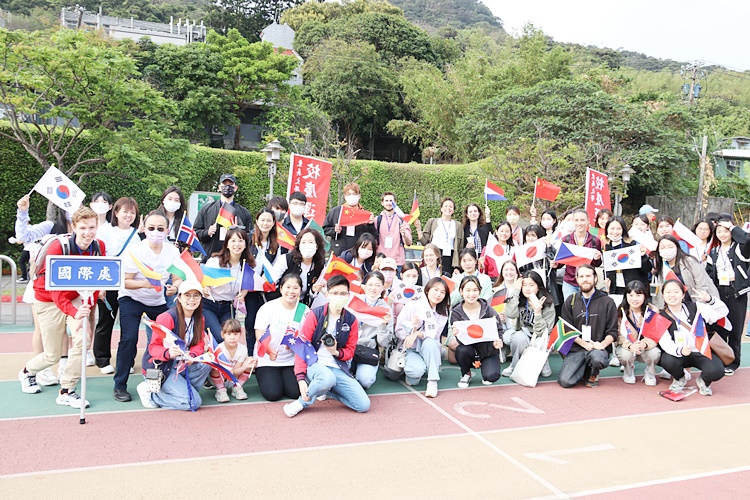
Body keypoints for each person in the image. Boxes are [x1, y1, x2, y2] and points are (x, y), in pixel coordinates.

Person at [18, 207, 104, 411]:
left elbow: (96, 280)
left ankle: (67, 390)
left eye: (92, 227)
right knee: (52, 355)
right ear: (73, 227)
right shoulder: (58, 247)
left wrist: (86, 309)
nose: (88, 233)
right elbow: (55, 289)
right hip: (48, 299)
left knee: (83, 339)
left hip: (75, 297)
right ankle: (27, 372)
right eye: (82, 228)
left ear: (97, 226)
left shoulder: (99, 246)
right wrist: (75, 312)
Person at [114, 211, 181, 402]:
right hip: (131, 298)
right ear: (144, 229)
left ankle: (160, 380)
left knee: (165, 340)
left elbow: (177, 278)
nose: (156, 232)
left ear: (167, 230)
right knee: (129, 339)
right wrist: (145, 283)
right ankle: (120, 385)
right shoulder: (135, 250)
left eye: (160, 229)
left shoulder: (172, 251)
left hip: (157, 301)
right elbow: (125, 281)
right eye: (151, 228)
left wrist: (174, 288)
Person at [283, 276, 370, 417]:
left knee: (363, 405)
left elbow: (350, 351)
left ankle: (326, 390)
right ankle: (301, 403)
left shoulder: (351, 320)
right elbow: (302, 346)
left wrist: (336, 352)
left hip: (337, 367)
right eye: (335, 293)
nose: (339, 297)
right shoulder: (315, 314)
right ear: (328, 294)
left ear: (348, 295)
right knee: (327, 378)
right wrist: (300, 377)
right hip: (315, 364)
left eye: (343, 293)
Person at [15, 194, 74, 386]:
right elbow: (23, 236)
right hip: (42, 286)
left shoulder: (84, 232)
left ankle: (64, 366)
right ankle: (42, 369)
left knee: (63, 329)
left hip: (68, 288)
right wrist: (22, 212)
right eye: (71, 205)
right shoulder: (50, 227)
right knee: (42, 328)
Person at [136, 280, 212, 410]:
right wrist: (168, 353)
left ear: (201, 298)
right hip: (163, 367)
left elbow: (199, 343)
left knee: (206, 364)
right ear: (179, 298)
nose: (192, 299)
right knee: (193, 403)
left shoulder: (200, 318)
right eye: (187, 295)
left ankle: (182, 394)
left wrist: (192, 355)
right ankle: (152, 394)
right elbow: (153, 347)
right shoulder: (167, 317)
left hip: (182, 363)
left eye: (196, 295)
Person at [93, 197, 141, 374]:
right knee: (106, 321)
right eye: (125, 211)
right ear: (116, 213)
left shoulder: (137, 235)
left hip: (129, 284)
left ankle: (127, 361)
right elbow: (99, 258)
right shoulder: (105, 231)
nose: (128, 215)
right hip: (109, 281)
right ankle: (102, 359)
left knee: (129, 326)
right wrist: (101, 286)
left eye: (132, 212)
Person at [658, 280, 728, 396]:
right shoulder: (660, 317)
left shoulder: (696, 307)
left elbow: (722, 313)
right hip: (679, 353)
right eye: (668, 292)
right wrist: (679, 350)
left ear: (683, 295)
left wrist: (710, 300)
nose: (672, 295)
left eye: (676, 292)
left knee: (717, 370)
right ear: (663, 295)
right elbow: (665, 342)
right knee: (667, 361)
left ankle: (704, 381)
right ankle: (680, 378)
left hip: (700, 350)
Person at [558, 265, 618, 388]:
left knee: (597, 358)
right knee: (565, 381)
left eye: (588, 276)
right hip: (578, 348)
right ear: (577, 279)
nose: (585, 279)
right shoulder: (571, 300)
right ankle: (584, 369)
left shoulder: (607, 301)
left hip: (598, 348)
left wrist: (602, 345)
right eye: (581, 276)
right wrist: (585, 344)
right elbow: (567, 329)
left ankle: (593, 372)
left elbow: (612, 332)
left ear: (595, 278)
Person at [254, 274, 309, 402]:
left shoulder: (303, 310)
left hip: (291, 360)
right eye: (288, 287)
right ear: (281, 289)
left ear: (300, 290)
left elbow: (306, 337)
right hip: (268, 359)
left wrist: (296, 346)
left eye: (295, 288)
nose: (291, 291)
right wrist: (269, 351)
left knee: (295, 392)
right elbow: (259, 335)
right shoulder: (268, 308)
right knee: (273, 394)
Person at [706, 215, 749, 376]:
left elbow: (747, 240)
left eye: (726, 231)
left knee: (735, 329)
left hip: (736, 292)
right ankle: (722, 359)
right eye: (719, 231)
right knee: (719, 327)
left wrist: (732, 227)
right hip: (719, 292)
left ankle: (733, 362)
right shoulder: (714, 251)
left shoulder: (739, 248)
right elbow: (710, 273)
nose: (723, 234)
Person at [395, 277, 450, 397]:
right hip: (411, 349)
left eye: (442, 292)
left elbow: (435, 335)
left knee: (430, 342)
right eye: (435, 290)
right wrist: (411, 328)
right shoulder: (412, 306)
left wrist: (418, 333)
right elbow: (398, 331)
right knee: (415, 375)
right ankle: (424, 365)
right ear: (427, 290)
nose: (438, 295)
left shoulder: (442, 312)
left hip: (429, 347)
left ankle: (432, 381)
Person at [449, 276, 504, 387]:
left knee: (491, 377)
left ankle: (486, 368)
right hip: (468, 349)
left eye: (475, 290)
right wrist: (457, 334)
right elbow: (460, 338)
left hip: (487, 350)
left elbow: (499, 330)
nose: (471, 294)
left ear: (480, 291)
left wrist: (497, 342)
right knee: (461, 350)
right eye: (468, 290)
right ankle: (466, 373)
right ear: (461, 291)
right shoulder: (456, 312)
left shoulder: (488, 310)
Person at [502, 271, 556, 377]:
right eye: (524, 285)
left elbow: (544, 332)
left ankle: (542, 363)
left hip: (542, 335)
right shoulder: (519, 299)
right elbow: (510, 314)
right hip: (525, 333)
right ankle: (515, 365)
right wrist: (516, 290)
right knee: (517, 338)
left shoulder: (547, 303)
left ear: (538, 287)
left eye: (531, 285)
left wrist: (537, 313)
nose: (527, 288)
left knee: (539, 343)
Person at [202, 227, 251, 343]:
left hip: (228, 307)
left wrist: (243, 293)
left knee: (229, 338)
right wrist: (204, 287)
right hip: (209, 305)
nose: (237, 244)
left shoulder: (247, 265)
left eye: (240, 241)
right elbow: (203, 280)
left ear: (245, 244)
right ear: (227, 244)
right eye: (233, 241)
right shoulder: (215, 261)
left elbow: (248, 284)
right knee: (220, 337)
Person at [193, 173, 253, 262]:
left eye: (231, 184)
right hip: (210, 259)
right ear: (219, 187)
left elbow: (250, 237)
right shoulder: (206, 209)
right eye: (224, 184)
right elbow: (195, 232)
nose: (227, 187)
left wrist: (239, 232)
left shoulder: (244, 212)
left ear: (235, 188)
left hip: (235, 261)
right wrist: (207, 232)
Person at [246, 208, 281, 350]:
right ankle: (250, 353)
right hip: (250, 287)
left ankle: (265, 350)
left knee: (267, 321)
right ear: (257, 221)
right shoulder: (248, 239)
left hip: (267, 288)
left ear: (273, 223)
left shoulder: (276, 244)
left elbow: (277, 266)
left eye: (268, 220)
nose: (265, 223)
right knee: (251, 320)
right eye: (262, 220)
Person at [615, 280, 661, 386]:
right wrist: (630, 345)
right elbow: (619, 334)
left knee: (655, 353)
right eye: (631, 295)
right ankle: (628, 371)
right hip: (629, 347)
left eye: (638, 295)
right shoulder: (621, 311)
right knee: (624, 355)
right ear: (626, 296)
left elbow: (655, 333)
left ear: (644, 295)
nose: (634, 299)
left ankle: (650, 372)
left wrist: (645, 344)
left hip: (646, 347)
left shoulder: (652, 311)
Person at [653, 235, 718, 308]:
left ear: (677, 248)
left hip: (700, 303)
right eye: (662, 247)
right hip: (679, 307)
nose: (666, 250)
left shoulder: (689, 261)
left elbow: (702, 285)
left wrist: (698, 307)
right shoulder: (662, 267)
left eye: (670, 247)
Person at [354, 271, 393, 389]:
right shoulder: (354, 301)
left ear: (383, 287)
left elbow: (383, 343)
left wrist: (383, 325)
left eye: (377, 285)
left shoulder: (386, 309)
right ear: (364, 285)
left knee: (365, 381)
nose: (373, 288)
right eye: (370, 284)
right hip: (349, 347)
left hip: (368, 349)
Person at [273, 228, 326, 307]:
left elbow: (312, 294)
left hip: (302, 306)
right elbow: (272, 282)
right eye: (303, 242)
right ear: (299, 245)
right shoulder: (285, 259)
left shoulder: (319, 266)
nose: (307, 246)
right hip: (280, 303)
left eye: (311, 242)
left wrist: (313, 290)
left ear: (317, 246)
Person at [209, 319, 257, 402]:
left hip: (234, 375)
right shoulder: (218, 349)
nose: (232, 338)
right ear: (222, 335)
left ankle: (237, 387)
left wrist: (245, 366)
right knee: (215, 368)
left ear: (240, 334)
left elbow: (234, 372)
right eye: (228, 334)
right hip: (221, 377)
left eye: (235, 334)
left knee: (249, 362)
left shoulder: (242, 349)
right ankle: (220, 390)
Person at [559, 209, 603, 300]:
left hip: (588, 282)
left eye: (582, 220)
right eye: (576, 220)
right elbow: (561, 262)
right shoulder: (566, 240)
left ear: (588, 221)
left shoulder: (595, 240)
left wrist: (597, 258)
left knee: (588, 306)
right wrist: (555, 264)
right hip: (570, 282)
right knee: (570, 307)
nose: (579, 223)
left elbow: (596, 264)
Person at [323, 182, 376, 256]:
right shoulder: (336, 211)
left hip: (357, 252)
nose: (352, 196)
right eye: (349, 194)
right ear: (345, 197)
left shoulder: (364, 214)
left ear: (359, 196)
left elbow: (372, 235)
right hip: (338, 251)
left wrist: (371, 224)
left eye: (354, 194)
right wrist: (334, 230)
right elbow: (325, 229)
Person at [415, 197, 464, 275]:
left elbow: (460, 248)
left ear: (453, 210)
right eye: (446, 206)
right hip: (434, 255)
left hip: (450, 257)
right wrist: (418, 229)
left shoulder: (458, 225)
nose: (448, 208)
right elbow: (424, 242)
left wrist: (457, 267)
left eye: (451, 206)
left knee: (447, 278)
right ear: (441, 209)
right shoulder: (432, 222)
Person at [603, 216, 652, 295]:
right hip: (615, 290)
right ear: (607, 229)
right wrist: (607, 280)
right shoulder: (606, 247)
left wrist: (643, 257)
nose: (615, 232)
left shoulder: (632, 244)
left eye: (618, 229)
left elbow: (647, 268)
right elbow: (607, 269)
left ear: (623, 229)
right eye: (612, 228)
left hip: (634, 290)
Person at [376, 192, 413, 272]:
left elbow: (409, 243)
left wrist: (404, 235)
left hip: (398, 262)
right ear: (382, 203)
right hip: (381, 262)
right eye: (386, 201)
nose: (389, 203)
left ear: (395, 202)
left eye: (391, 201)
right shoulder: (377, 220)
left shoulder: (402, 220)